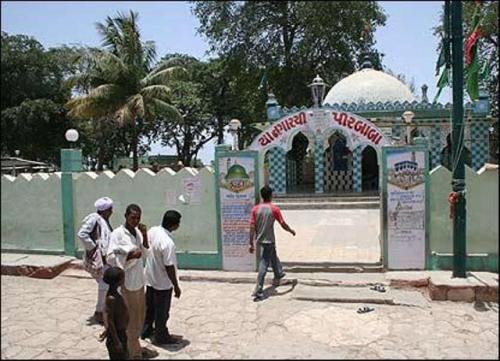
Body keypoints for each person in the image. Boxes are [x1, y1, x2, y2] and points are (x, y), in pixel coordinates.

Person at [106, 204, 157, 360]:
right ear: (125, 216)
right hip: (126, 281)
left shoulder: (138, 233)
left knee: (140, 316)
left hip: (139, 280)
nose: (135, 220)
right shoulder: (117, 234)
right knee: (130, 318)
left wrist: (145, 235)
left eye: (138, 218)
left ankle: (136, 346)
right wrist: (129, 256)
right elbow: (110, 256)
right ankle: (133, 353)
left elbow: (146, 252)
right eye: (132, 217)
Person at [142, 210, 182, 345]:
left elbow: (146, 243)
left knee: (150, 308)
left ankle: (146, 330)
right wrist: (176, 285)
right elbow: (169, 266)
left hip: (150, 278)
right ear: (174, 225)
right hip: (163, 283)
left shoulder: (154, 231)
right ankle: (161, 336)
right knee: (162, 311)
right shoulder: (168, 243)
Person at [249, 186, 296, 300]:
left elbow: (251, 226)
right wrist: (291, 231)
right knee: (264, 263)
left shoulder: (255, 209)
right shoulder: (274, 209)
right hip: (269, 240)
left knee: (272, 255)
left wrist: (251, 242)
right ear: (271, 195)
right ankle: (258, 289)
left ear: (262, 196)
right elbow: (282, 223)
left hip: (260, 239)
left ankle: (278, 273)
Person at [77, 196, 114, 325]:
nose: (111, 212)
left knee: (106, 285)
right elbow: (82, 234)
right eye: (110, 209)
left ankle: (104, 310)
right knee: (104, 285)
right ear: (105, 210)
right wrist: (93, 247)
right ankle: (99, 312)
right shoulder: (95, 219)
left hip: (106, 259)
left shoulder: (103, 220)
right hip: (100, 259)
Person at [102, 267, 129, 360]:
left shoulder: (115, 294)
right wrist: (117, 341)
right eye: (123, 277)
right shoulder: (112, 298)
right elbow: (110, 320)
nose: (124, 279)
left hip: (121, 333)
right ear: (117, 281)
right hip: (117, 336)